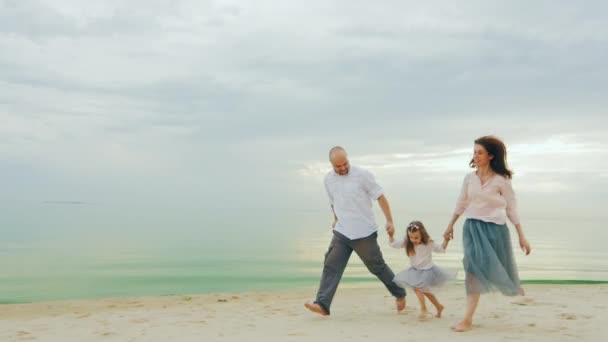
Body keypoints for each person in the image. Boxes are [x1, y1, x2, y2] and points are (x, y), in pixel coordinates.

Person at [443, 135, 532, 332]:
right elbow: (461, 203)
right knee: (472, 269)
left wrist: (521, 236)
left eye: (480, 152)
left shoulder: (502, 180)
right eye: (474, 152)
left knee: (497, 265)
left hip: (495, 229)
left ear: (491, 156)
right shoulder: (469, 178)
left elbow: (511, 209)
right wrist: (450, 226)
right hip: (472, 228)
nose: (475, 156)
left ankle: (511, 285)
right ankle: (467, 319)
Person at [304, 146, 406, 316]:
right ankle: (322, 304)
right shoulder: (328, 180)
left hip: (364, 232)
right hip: (342, 231)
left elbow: (380, 196)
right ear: (331, 164)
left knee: (377, 267)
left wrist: (389, 220)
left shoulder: (362, 175)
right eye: (338, 166)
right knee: (331, 265)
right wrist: (336, 218)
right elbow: (333, 202)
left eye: (345, 164)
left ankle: (399, 293)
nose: (343, 168)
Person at [389, 220, 453, 320]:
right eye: (411, 237)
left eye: (416, 237)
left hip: (427, 271)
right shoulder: (407, 242)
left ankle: (424, 309)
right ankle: (439, 307)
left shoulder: (428, 243)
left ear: (422, 234)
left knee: (419, 288)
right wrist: (391, 235)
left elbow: (441, 249)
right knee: (425, 291)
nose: (413, 240)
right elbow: (394, 245)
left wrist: (446, 240)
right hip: (415, 270)